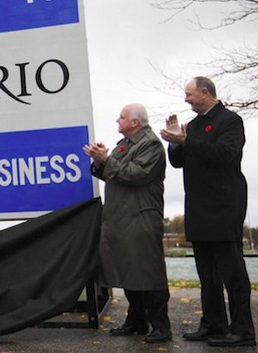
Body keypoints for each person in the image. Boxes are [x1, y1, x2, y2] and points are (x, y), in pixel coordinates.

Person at [160, 76, 255, 347]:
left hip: (225, 205)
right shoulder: (193, 125)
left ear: (204, 92)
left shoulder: (230, 121)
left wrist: (187, 141)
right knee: (207, 273)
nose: (186, 99)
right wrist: (175, 141)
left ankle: (243, 330)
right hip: (198, 207)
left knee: (232, 272)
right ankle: (213, 323)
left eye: (189, 94)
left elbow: (225, 154)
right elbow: (178, 162)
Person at [84, 103, 172, 343]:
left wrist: (107, 160)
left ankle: (161, 326)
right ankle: (136, 321)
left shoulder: (151, 143)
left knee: (149, 271)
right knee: (129, 270)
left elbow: (136, 174)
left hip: (141, 217)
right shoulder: (126, 144)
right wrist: (101, 160)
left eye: (122, 117)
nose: (117, 120)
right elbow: (112, 172)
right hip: (123, 218)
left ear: (135, 122)